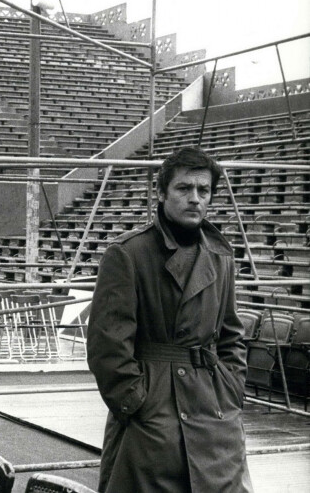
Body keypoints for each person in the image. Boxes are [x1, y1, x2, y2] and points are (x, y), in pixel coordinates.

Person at [87, 146, 253, 493]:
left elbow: (231, 335)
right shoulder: (128, 253)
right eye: (183, 189)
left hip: (213, 410)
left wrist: (231, 390)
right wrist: (137, 404)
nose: (195, 199)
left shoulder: (221, 256)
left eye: (203, 190)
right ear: (161, 193)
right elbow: (108, 346)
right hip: (153, 413)